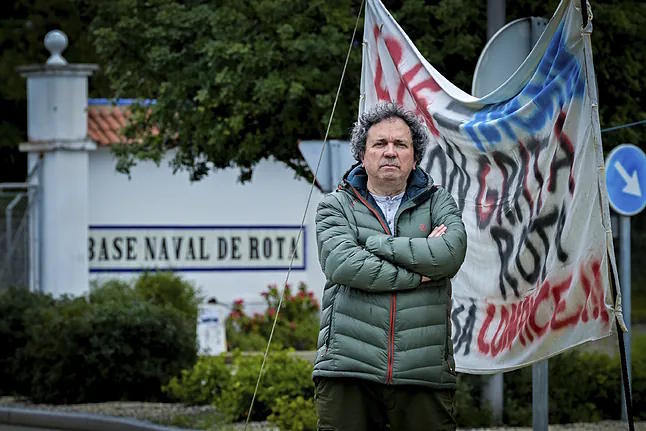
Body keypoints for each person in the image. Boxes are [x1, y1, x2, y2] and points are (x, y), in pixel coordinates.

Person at [313, 102, 467, 431]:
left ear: (414, 156)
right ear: (362, 154)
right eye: (379, 144)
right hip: (347, 371)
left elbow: (450, 255)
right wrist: (420, 272)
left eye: (400, 144)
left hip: (423, 373)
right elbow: (344, 264)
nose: (390, 152)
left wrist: (377, 244)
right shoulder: (334, 206)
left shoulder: (439, 201)